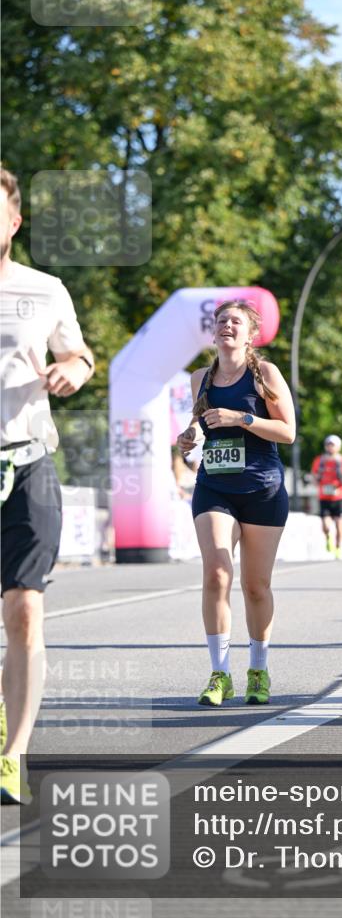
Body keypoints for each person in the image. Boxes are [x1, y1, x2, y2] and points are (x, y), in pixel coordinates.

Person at [0, 167, 95, 804]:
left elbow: (82, 356)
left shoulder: (43, 289)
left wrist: (69, 369)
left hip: (27, 460)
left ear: (14, 220)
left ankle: (14, 757)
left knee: (25, 607)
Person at [177, 299, 295, 708]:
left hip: (263, 489)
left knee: (255, 586)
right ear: (214, 332)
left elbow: (288, 431)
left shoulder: (265, 373)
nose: (227, 326)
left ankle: (258, 670)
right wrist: (188, 437)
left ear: (250, 333)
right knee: (217, 573)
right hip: (215, 487)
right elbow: (198, 425)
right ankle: (220, 673)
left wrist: (240, 418)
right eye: (221, 321)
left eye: (236, 321)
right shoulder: (201, 379)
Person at [310, 435, 342, 559]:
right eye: (328, 444)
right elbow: (313, 476)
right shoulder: (319, 460)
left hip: (340, 498)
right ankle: (328, 539)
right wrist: (317, 481)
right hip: (324, 498)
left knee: (340, 525)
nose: (330, 447)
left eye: (333, 445)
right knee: (326, 525)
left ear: (338, 447)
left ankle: (338, 547)